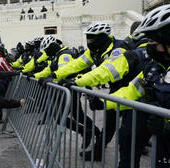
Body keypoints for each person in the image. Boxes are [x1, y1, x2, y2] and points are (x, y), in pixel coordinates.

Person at [98, 5, 170, 168]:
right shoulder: (154, 68)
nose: (148, 46)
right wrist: (102, 101)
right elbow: (131, 91)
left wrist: (167, 125)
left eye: (152, 41)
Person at [51, 22, 129, 160]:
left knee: (128, 129)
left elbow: (104, 72)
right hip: (117, 87)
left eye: (93, 38)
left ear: (103, 37)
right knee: (111, 122)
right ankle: (99, 150)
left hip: (131, 87)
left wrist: (77, 81)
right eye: (88, 37)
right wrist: (55, 75)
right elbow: (76, 64)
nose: (89, 41)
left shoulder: (119, 49)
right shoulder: (95, 51)